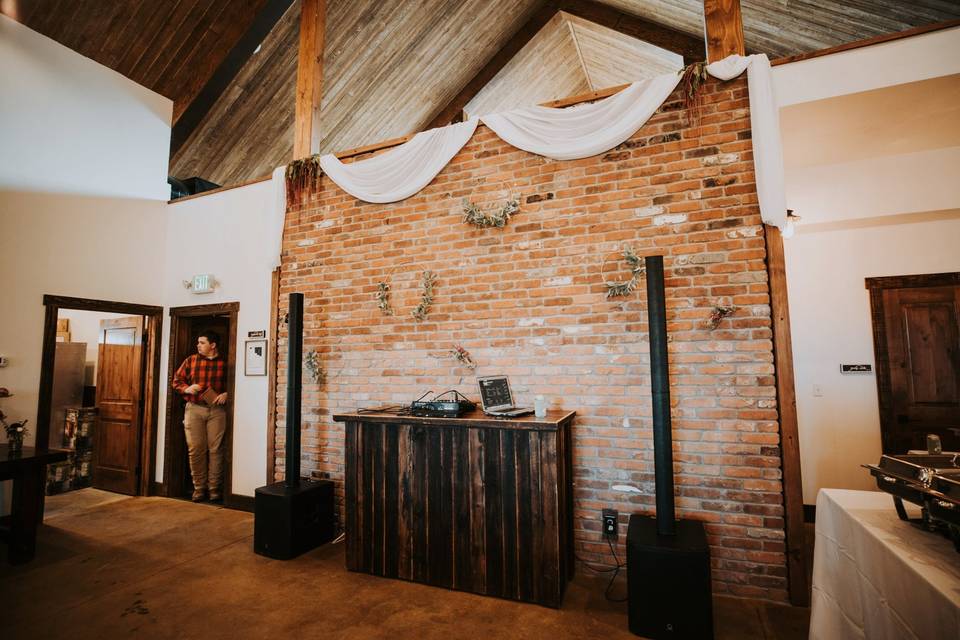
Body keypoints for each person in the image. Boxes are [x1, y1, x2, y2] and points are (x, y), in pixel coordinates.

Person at [172, 330, 228, 502]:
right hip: (194, 408)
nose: (198, 345)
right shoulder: (191, 360)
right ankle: (199, 488)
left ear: (213, 345)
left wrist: (228, 393)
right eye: (198, 342)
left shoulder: (226, 362)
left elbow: (237, 382)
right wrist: (186, 389)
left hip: (217, 411)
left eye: (202, 342)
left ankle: (214, 489)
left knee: (216, 450)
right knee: (196, 449)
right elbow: (176, 381)